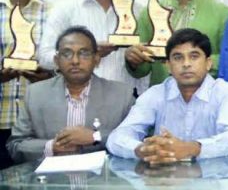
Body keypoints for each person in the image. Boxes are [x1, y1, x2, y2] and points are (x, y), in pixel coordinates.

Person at [107, 28, 228, 162]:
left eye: (194, 56)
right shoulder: (155, 94)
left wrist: (191, 148)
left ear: (208, 63)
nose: (186, 64)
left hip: (214, 179)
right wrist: (142, 150)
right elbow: (116, 138)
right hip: (165, 180)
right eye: (178, 57)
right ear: (168, 65)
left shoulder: (227, 93)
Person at [7, 27, 134, 162]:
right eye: (67, 54)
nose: (75, 61)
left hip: (101, 180)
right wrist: (51, 147)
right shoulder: (36, 94)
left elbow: (135, 141)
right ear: (56, 61)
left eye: (84, 53)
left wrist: (95, 137)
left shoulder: (122, 95)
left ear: (96, 59)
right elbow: (15, 145)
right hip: (51, 181)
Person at [37, 0, 146, 92]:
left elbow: (147, 63)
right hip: (77, 101)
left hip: (126, 103)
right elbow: (44, 57)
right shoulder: (65, 10)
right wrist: (83, 54)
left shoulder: (139, 12)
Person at [0, 0, 53, 169]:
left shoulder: (54, 14)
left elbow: (62, 66)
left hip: (38, 125)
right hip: (0, 120)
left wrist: (48, 77)